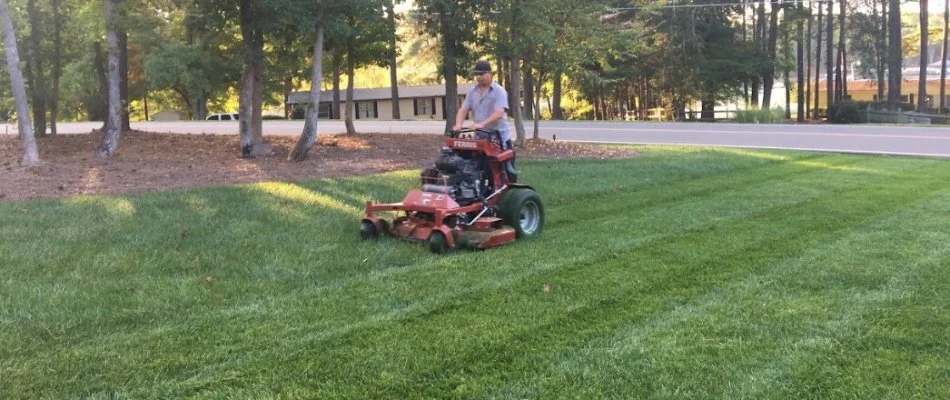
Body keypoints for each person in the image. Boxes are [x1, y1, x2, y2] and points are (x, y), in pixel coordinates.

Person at [453, 60, 517, 181]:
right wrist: (458, 125)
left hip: (499, 138)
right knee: (480, 167)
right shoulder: (472, 91)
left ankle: (511, 194)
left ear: (489, 74)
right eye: (476, 74)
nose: (478, 77)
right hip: (481, 138)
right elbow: (463, 110)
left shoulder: (499, 91)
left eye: (481, 74)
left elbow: (499, 113)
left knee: (506, 172)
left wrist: (481, 124)